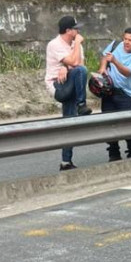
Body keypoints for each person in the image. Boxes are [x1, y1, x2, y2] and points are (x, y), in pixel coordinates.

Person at [45, 15, 91, 171]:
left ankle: (66, 162)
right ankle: (81, 104)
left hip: (71, 83)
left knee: (69, 123)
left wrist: (66, 67)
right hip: (58, 87)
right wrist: (75, 47)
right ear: (68, 30)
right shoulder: (54, 44)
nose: (78, 31)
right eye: (75, 28)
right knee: (79, 70)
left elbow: (80, 65)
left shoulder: (76, 45)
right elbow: (75, 64)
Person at [98, 27, 131, 161]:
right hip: (108, 91)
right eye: (125, 39)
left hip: (125, 95)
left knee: (128, 125)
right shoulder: (116, 45)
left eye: (130, 40)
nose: (126, 42)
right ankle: (113, 153)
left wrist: (115, 62)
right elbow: (105, 57)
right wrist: (102, 68)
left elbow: (127, 72)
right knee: (109, 123)